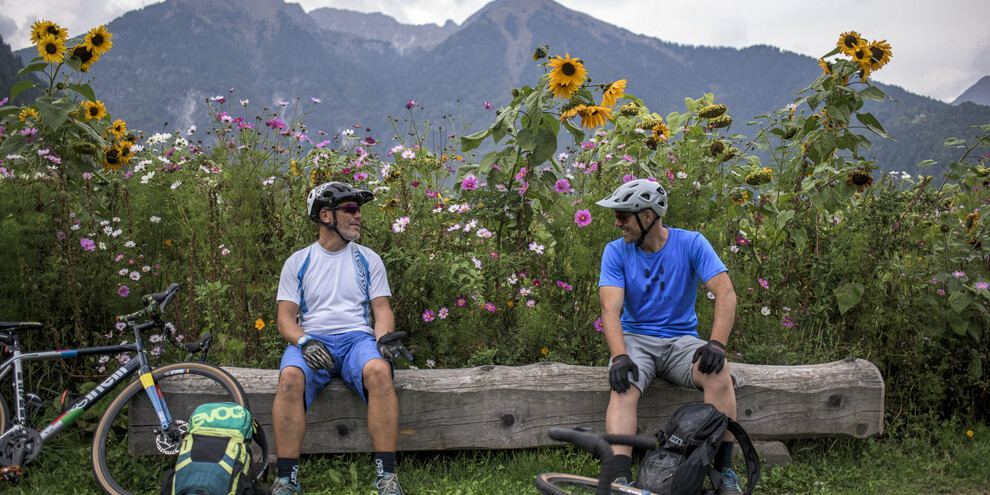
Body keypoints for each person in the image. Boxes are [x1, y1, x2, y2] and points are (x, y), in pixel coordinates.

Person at [595, 178, 742, 495]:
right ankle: (621, 479)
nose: (617, 222)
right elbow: (610, 309)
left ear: (647, 216)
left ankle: (724, 471)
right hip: (636, 338)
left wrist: (716, 344)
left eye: (623, 215)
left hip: (682, 340)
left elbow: (726, 293)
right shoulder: (615, 252)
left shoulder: (692, 243)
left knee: (719, 373)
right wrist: (620, 356)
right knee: (623, 386)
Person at [270, 182, 412, 495]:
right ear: (325, 215)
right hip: (311, 340)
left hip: (356, 341)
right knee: (290, 378)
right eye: (351, 209)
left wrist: (385, 339)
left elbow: (381, 310)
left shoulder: (368, 259)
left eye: (359, 209)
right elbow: (285, 320)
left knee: (379, 371)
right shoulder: (298, 262)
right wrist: (305, 342)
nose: (359, 216)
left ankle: (387, 477)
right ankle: (285, 480)